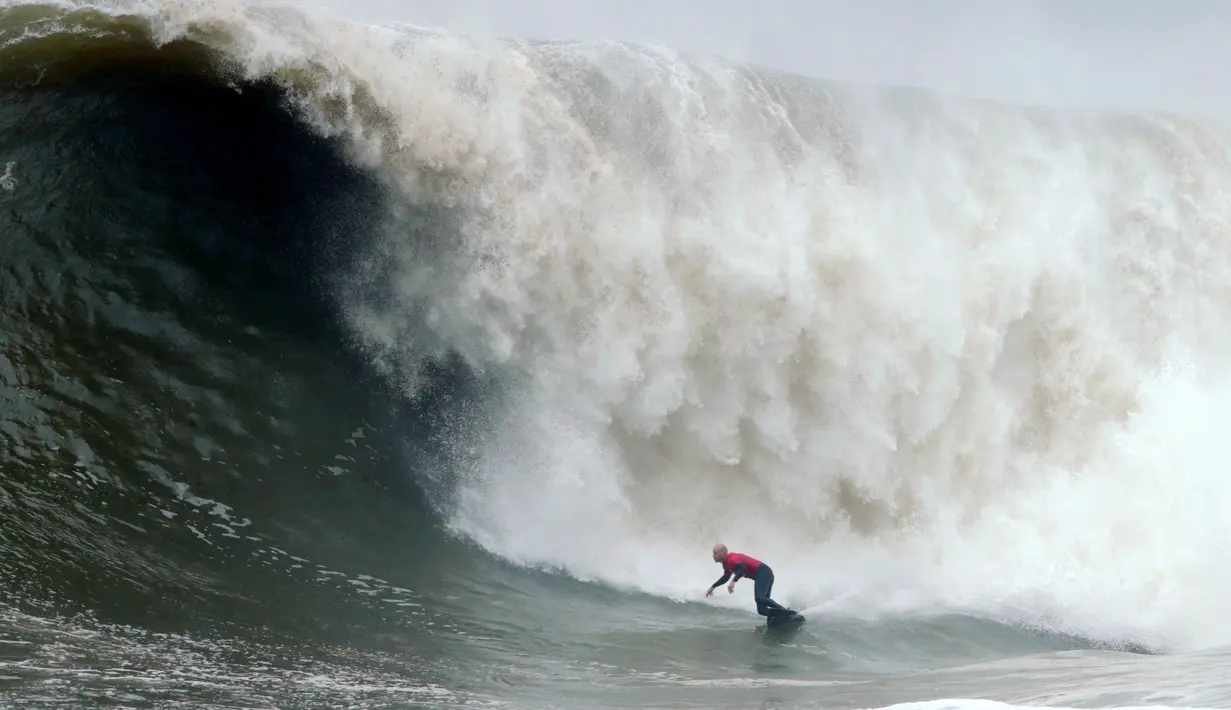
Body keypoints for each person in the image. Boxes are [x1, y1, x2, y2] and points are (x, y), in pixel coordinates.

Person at [705, 543, 794, 620]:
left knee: (760, 598)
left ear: (722, 553)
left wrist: (733, 581)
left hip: (763, 572)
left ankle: (785, 612)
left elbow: (743, 567)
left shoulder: (732, 559)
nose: (713, 556)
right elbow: (725, 577)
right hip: (763, 575)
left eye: (715, 553)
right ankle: (777, 616)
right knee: (761, 610)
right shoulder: (726, 565)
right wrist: (713, 587)